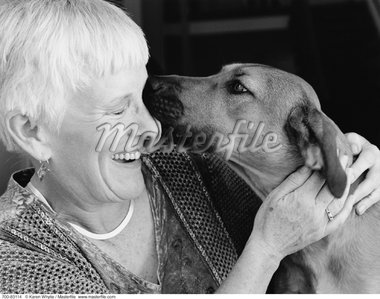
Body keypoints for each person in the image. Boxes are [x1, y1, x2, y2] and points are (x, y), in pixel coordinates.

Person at [0, 0, 379, 294]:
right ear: (33, 131)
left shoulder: (193, 170)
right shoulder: (16, 259)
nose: (151, 129)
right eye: (117, 109)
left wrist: (363, 167)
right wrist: (265, 250)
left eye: (143, 99)